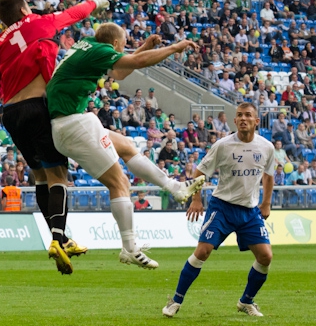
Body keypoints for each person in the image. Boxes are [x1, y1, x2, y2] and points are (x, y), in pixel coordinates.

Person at [46, 23, 205, 269]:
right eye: (123, 44)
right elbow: (135, 62)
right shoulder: (100, 51)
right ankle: (130, 248)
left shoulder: (89, 46)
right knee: (120, 183)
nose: (123, 49)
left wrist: (143, 47)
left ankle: (174, 187)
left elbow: (119, 72)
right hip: (74, 124)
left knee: (127, 145)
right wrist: (175, 48)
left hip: (69, 123)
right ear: (115, 43)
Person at [0, 0, 107, 274]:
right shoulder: (40, 22)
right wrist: (97, 2)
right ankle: (58, 240)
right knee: (58, 175)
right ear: (24, 9)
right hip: (37, 108)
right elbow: (74, 14)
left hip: (11, 114)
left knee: (40, 176)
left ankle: (60, 238)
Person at [163, 102, 275, 319]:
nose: (243, 119)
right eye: (240, 115)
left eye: (248, 115)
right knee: (202, 252)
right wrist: (196, 199)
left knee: (265, 256)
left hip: (250, 211)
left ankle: (246, 301)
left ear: (256, 121)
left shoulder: (266, 147)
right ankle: (175, 300)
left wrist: (266, 203)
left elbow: (268, 176)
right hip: (222, 207)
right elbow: (199, 172)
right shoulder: (223, 145)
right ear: (235, 120)